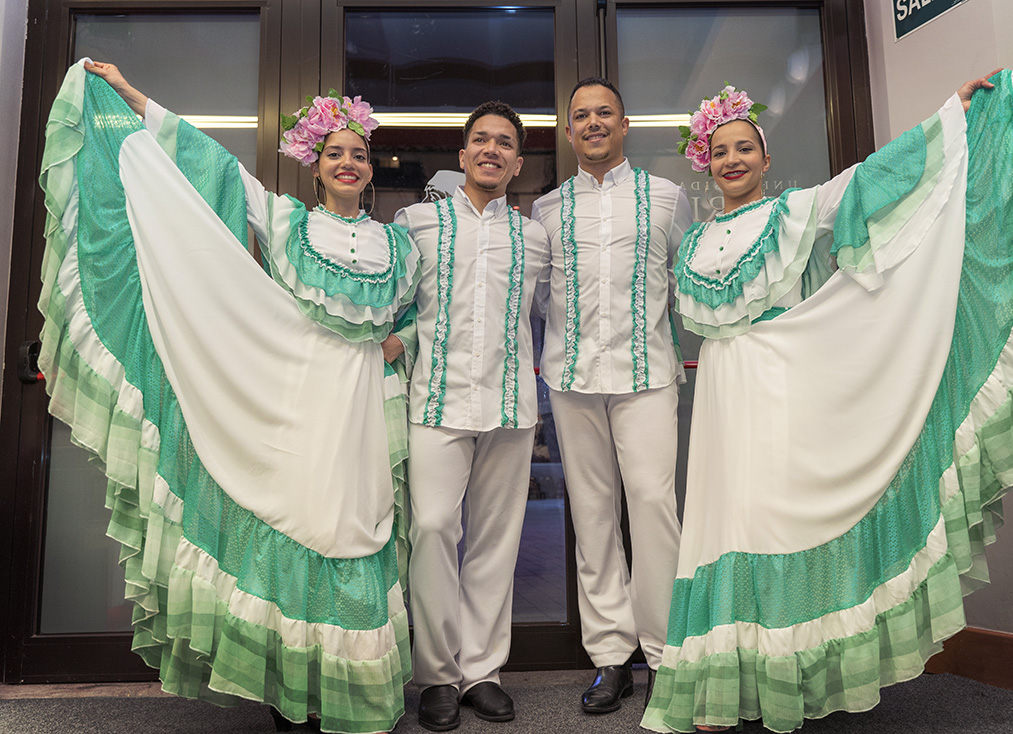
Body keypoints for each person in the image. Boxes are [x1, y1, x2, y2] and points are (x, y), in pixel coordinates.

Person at [642, 70, 1013, 733]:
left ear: (765, 158)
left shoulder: (795, 212)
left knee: (777, 522)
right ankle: (721, 688)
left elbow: (872, 179)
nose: (732, 160)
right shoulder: (692, 245)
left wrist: (951, 113)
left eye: (744, 148)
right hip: (724, 401)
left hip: (787, 391)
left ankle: (792, 678)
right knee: (725, 522)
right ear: (706, 162)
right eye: (720, 151)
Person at [39, 60, 420, 733]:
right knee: (294, 515)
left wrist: (399, 343)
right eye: (335, 153)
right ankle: (289, 696)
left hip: (360, 402)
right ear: (315, 165)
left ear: (373, 166)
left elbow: (423, 315)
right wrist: (133, 96)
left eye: (359, 154)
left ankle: (343, 693)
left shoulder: (400, 245)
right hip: (292, 394)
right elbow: (205, 161)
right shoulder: (285, 220)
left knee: (354, 523)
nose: (348, 163)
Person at [531, 77, 692, 713]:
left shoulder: (668, 197)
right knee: (593, 514)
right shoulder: (546, 210)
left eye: (605, 113)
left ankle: (667, 654)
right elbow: (542, 298)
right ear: (569, 133)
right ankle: (609, 659)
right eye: (581, 116)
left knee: (654, 505)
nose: (593, 123)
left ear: (625, 126)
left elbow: (691, 277)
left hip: (646, 375)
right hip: (571, 380)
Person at [394, 101, 551, 732]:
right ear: (462, 157)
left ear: (517, 161)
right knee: (432, 528)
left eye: (504, 143)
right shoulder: (415, 222)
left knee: (495, 539)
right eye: (480, 140)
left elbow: (552, 314)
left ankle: (481, 671)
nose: (492, 150)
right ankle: (436, 674)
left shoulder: (535, 237)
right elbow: (394, 303)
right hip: (434, 399)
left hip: (511, 403)